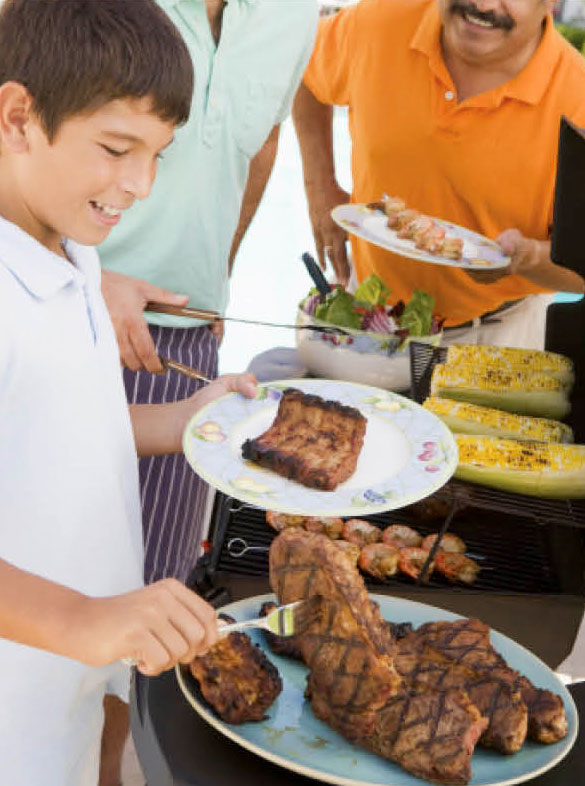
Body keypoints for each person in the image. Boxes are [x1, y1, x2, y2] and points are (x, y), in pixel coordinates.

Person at [0, 2, 257, 784]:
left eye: (158, 154)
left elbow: (59, 424)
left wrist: (178, 423)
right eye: (116, 149)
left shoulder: (69, 245)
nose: (140, 184)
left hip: (65, 686)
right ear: (17, 115)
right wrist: (83, 620)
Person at [98, 0, 319, 588]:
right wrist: (84, 278)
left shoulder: (295, 16)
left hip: (188, 342)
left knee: (160, 580)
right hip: (52, 322)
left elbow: (261, 142)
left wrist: (219, 270)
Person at [293, 0, 585, 350]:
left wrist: (525, 260)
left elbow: (580, 270)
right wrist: (320, 186)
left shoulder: (578, 98)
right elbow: (301, 68)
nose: (483, 5)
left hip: (498, 338)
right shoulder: (381, 20)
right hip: (369, 316)